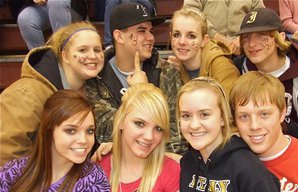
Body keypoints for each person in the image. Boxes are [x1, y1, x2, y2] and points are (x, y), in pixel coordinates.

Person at [0, 21, 106, 166]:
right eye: (83, 50)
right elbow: (6, 154)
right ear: (65, 56)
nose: (93, 56)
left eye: (97, 50)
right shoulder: (27, 94)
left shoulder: (94, 91)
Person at [95, 2, 187, 154]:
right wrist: (138, 92)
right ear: (119, 36)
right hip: (118, 169)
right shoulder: (98, 76)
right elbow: (103, 131)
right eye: (141, 31)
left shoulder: (166, 71)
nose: (150, 37)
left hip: (160, 165)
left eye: (151, 31)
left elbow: (176, 136)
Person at [233, 8, 298, 141]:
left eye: (262, 36)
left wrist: (280, 128)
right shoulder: (238, 69)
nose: (252, 44)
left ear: (279, 38)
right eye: (246, 37)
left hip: (295, 147)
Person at [170, 8, 240, 96]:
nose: (182, 42)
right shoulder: (174, 67)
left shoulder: (222, 68)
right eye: (176, 35)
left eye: (191, 36)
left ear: (204, 40)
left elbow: (227, 108)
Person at [183, 0, 265, 56]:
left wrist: (243, 37)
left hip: (244, 48)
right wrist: (216, 36)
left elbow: (260, 15)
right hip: (207, 47)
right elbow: (191, 13)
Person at [17, 0, 88, 50]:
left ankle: (61, 52)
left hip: (71, 6)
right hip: (43, 6)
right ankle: (40, 61)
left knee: (55, 2)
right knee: (25, 18)